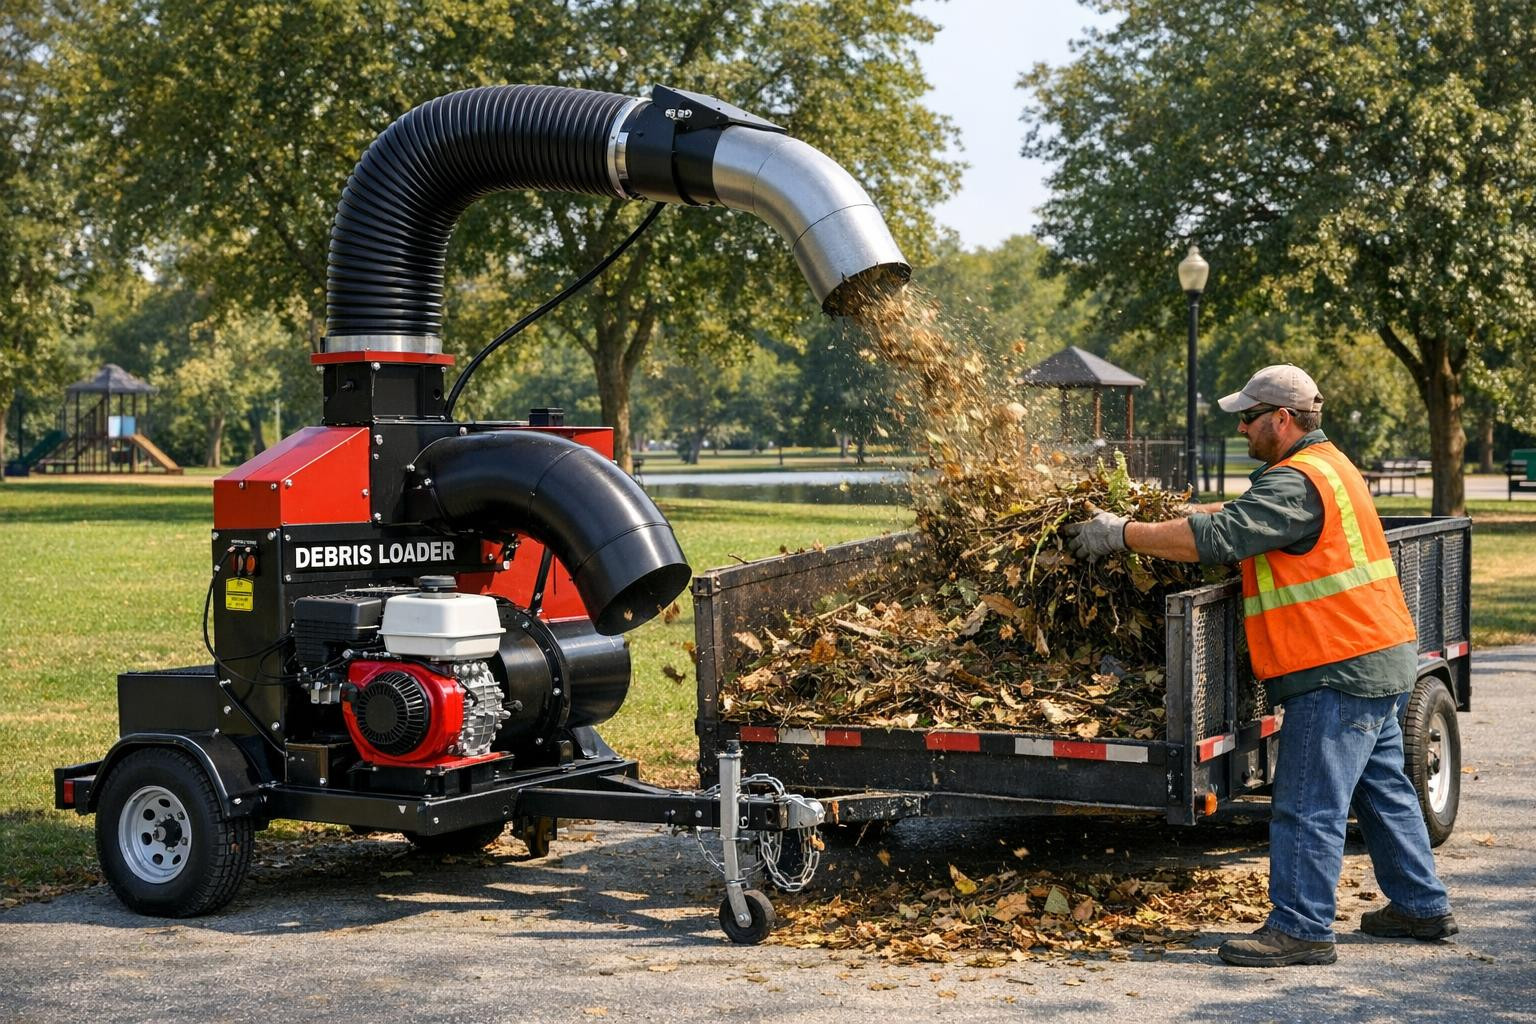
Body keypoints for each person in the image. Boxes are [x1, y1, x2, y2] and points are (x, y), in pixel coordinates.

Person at [1066, 363, 1455, 968]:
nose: (1241, 428)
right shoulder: (1325, 467)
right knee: (1384, 791)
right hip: (1378, 655)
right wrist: (1179, 509)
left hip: (1336, 668)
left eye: (1248, 418)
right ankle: (1421, 905)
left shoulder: (1297, 482)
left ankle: (1301, 928)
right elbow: (1247, 512)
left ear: (1283, 418)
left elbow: (1222, 538)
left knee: (1308, 802)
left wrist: (1124, 534)